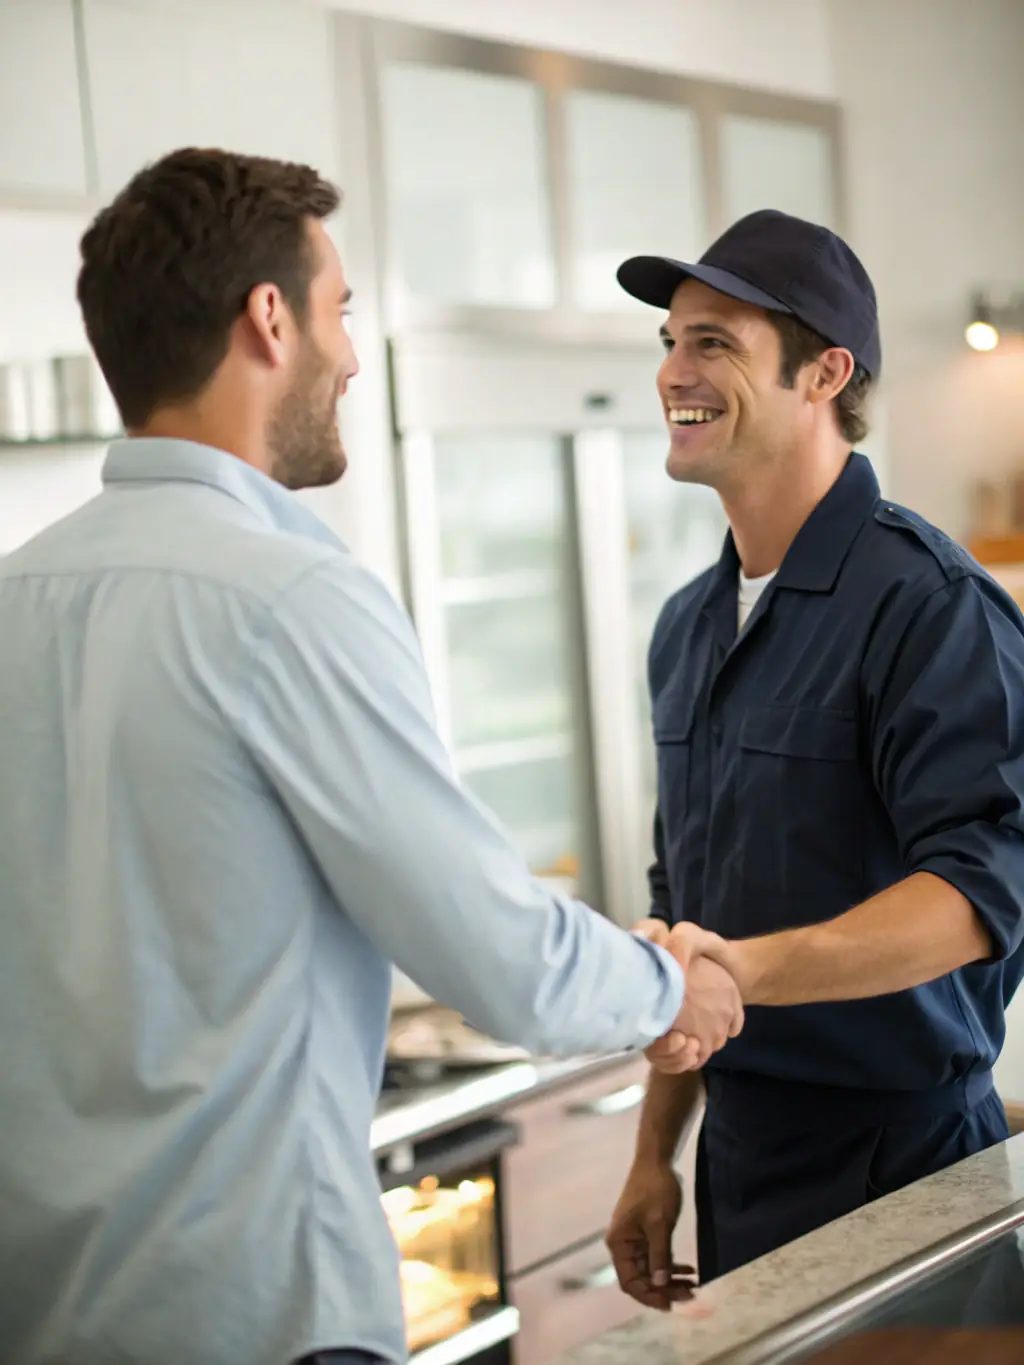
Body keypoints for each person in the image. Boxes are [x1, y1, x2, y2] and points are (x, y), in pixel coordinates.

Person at [0, 149, 742, 1365]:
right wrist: (675, 987)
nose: (351, 356)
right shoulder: (287, 599)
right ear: (271, 319)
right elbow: (502, 960)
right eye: (341, 311)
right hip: (250, 1314)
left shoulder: (14, 598)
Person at [605, 208, 1024, 1309]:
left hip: (902, 1168)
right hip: (738, 1165)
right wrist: (655, 1153)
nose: (674, 372)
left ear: (823, 373)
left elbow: (979, 896)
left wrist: (743, 972)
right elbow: (686, 911)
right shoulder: (688, 628)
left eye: (714, 342)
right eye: (668, 342)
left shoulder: (929, 608)